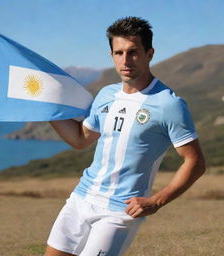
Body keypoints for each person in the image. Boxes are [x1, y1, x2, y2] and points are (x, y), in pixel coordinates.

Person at [45, 17, 206, 256]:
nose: (125, 60)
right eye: (118, 53)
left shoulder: (169, 104)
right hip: (80, 199)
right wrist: (44, 107)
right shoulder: (106, 94)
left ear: (149, 54)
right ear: (111, 55)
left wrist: (156, 201)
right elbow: (81, 139)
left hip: (119, 211)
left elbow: (195, 162)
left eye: (133, 52)